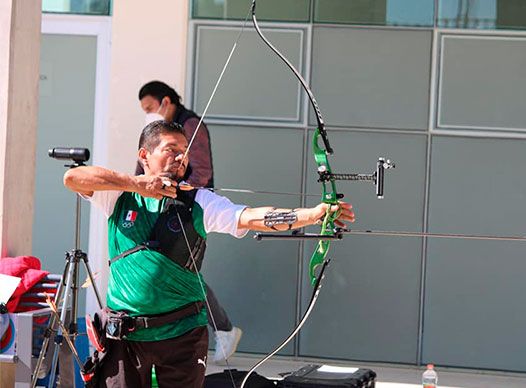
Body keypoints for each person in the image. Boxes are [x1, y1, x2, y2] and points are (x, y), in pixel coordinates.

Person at [64, 120, 354, 387]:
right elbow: (73, 178)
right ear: (145, 155)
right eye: (171, 149)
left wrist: (313, 214)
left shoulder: (200, 201)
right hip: (124, 337)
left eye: (185, 151)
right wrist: (137, 184)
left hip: (181, 337)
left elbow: (252, 217)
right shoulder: (118, 196)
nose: (181, 157)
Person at [137, 80, 237, 363]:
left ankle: (223, 328)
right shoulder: (154, 134)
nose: (148, 114)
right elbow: (143, 170)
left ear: (166, 102)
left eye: (150, 108)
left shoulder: (190, 126)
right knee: (159, 268)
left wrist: (176, 192)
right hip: (155, 206)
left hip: (185, 209)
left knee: (183, 271)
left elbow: (201, 171)